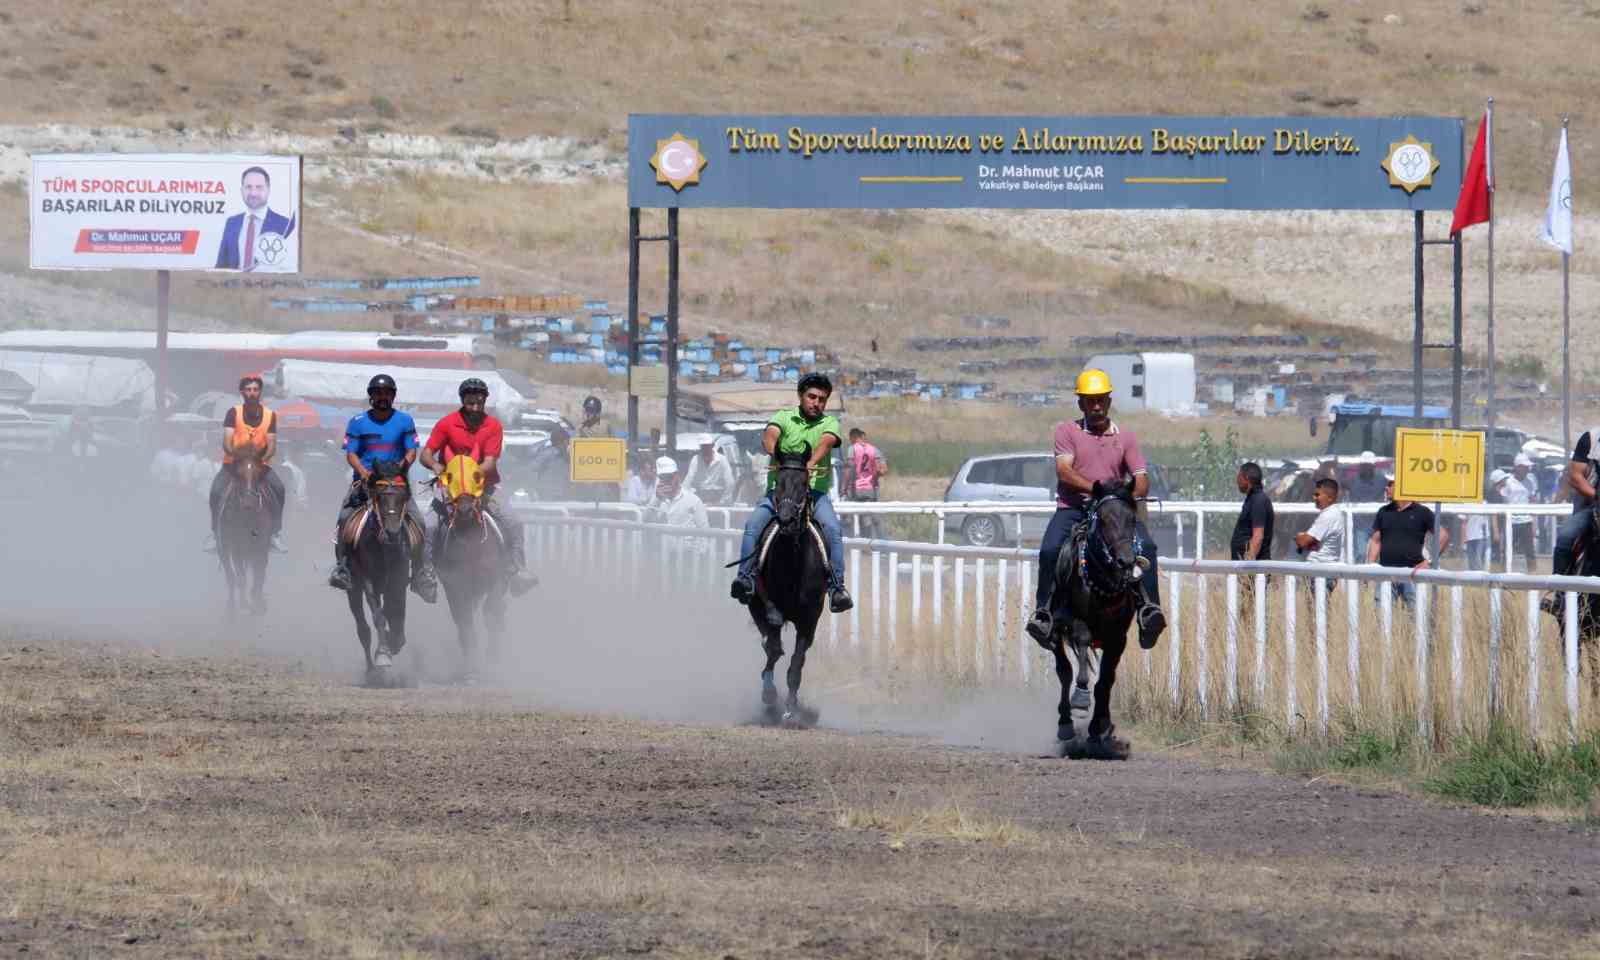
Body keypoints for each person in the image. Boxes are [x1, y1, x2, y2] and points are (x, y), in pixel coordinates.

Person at [1024, 368, 1165, 648]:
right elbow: (1064, 472)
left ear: (1109, 401)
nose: (1097, 405)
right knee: (1051, 549)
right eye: (1091, 400)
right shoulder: (1067, 431)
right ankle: (1044, 613)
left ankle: (1149, 611)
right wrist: (1099, 492)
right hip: (1073, 509)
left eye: (1101, 399)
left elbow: (1142, 480)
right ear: (1081, 404)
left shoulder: (1126, 437)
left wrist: (1119, 500)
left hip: (1115, 513)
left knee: (1146, 548)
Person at [729, 373, 853, 613]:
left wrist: (809, 463)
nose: (816, 403)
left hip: (814, 494)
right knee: (753, 525)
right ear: (801, 396)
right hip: (779, 493)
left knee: (834, 530)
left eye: (822, 399)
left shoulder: (829, 424)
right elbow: (769, 437)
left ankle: (837, 589)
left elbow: (826, 443)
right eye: (812, 397)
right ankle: (745, 579)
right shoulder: (783, 417)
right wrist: (781, 456)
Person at [418, 377, 538, 595]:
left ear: (484, 402)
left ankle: (518, 569)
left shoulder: (493, 426)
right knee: (429, 526)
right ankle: (425, 575)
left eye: (479, 402)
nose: (475, 407)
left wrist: (470, 478)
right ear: (462, 401)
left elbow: (490, 461)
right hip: (449, 491)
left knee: (514, 522)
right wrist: (435, 465)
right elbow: (426, 453)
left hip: (484, 490)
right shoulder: (446, 424)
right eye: (470, 402)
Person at [327, 373, 437, 602]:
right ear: (371, 396)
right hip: (365, 484)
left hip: (395, 485)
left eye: (387, 393)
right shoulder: (357, 422)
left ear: (393, 396)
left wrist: (399, 468)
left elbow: (411, 451)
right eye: (377, 393)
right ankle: (343, 568)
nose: (382, 397)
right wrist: (365, 473)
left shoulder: (405, 421)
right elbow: (351, 454)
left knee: (419, 521)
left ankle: (420, 572)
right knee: (344, 518)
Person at [203, 374, 287, 554]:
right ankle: (213, 533)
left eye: (255, 389)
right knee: (216, 490)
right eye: (248, 389)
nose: (252, 393)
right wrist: (237, 455)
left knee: (279, 489)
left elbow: (271, 443)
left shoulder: (270, 415)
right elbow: (227, 440)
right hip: (234, 463)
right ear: (242, 392)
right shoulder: (233, 413)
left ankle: (275, 534)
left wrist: (262, 458)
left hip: (260, 464)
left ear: (260, 392)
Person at [1368, 475, 1448, 609]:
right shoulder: (1383, 512)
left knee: (1415, 618)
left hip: (1412, 574)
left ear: (1401, 486)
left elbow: (1443, 536)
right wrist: (1370, 567)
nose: (1386, 488)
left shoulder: (1422, 512)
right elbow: (1376, 540)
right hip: (1386, 573)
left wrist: (1429, 561)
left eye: (1390, 485)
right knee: (1381, 618)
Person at [1546, 427, 1600, 614]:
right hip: (1592, 505)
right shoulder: (1591, 438)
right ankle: (1559, 596)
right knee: (1566, 536)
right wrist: (1596, 495)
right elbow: (1575, 476)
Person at [215, 166, 294, 271]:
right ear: (241, 190)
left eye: (259, 187)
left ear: (268, 190)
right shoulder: (231, 223)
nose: (253, 193)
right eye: (248, 187)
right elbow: (221, 267)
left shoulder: (286, 225)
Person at [645, 455, 710, 557]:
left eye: (669, 477)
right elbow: (644, 521)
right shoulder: (656, 500)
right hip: (661, 557)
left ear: (677, 476)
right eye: (662, 477)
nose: (666, 480)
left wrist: (699, 558)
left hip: (688, 558)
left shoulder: (694, 500)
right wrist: (657, 500)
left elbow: (705, 532)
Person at [1294, 477, 1344, 593]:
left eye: (1317, 495)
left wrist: (1299, 537)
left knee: (1318, 609)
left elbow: (1304, 541)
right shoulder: (1331, 513)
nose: (1314, 498)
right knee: (1315, 609)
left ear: (1330, 497)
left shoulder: (1328, 516)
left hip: (1321, 572)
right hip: (1321, 571)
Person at [843, 427, 889, 539]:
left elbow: (849, 469)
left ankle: (856, 544)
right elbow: (884, 470)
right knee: (872, 517)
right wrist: (875, 474)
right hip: (871, 489)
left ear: (853, 437)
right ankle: (881, 545)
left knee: (848, 516)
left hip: (855, 489)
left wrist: (843, 487)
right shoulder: (874, 450)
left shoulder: (852, 449)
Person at [1231, 461, 1274, 562]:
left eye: (1239, 477)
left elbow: (1258, 537)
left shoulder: (1258, 500)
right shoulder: (1253, 498)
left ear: (1246, 478)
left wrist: (1247, 565)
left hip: (1254, 570)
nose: (1237, 481)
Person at [1346, 450, 1387, 552]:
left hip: (1377, 526)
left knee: (1378, 556)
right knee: (1361, 553)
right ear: (1360, 466)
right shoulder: (1352, 481)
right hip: (1360, 526)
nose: (1366, 467)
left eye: (1369, 465)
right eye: (1364, 465)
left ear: (1374, 466)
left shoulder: (1382, 480)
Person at [1502, 453, 1537, 571]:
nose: (1527, 469)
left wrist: (1534, 523)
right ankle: (1504, 572)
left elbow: (1533, 501)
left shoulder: (1531, 482)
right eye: (1525, 467)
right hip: (1511, 521)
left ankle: (1533, 574)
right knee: (1508, 549)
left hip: (1526, 520)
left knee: (1530, 550)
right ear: (1517, 467)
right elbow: (1502, 500)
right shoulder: (1507, 482)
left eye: (1528, 467)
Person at [683, 434, 736, 506]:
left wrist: (723, 501)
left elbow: (730, 482)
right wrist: (686, 499)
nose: (705, 449)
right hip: (700, 497)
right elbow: (688, 481)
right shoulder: (695, 460)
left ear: (712, 445)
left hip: (718, 497)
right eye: (703, 446)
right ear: (700, 447)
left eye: (707, 446)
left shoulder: (722, 460)